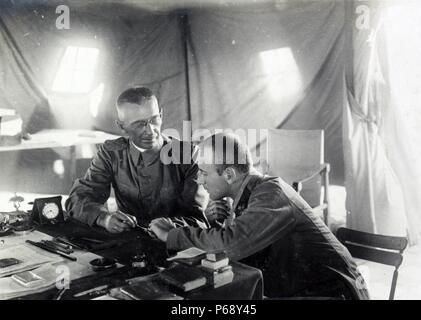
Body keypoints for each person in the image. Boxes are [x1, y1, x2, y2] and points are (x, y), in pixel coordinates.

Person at [149, 132, 369, 299]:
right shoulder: (252, 194)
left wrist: (173, 235)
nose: (199, 180)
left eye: (204, 173)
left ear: (228, 174)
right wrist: (216, 223)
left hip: (335, 294)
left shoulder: (271, 194)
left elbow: (233, 246)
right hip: (307, 289)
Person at [65, 87, 208, 233]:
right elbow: (79, 198)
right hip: (127, 240)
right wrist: (104, 218)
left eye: (154, 119)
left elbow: (199, 220)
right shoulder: (111, 153)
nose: (150, 131)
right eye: (139, 124)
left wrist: (166, 229)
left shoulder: (187, 155)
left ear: (161, 115)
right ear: (122, 126)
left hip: (176, 245)